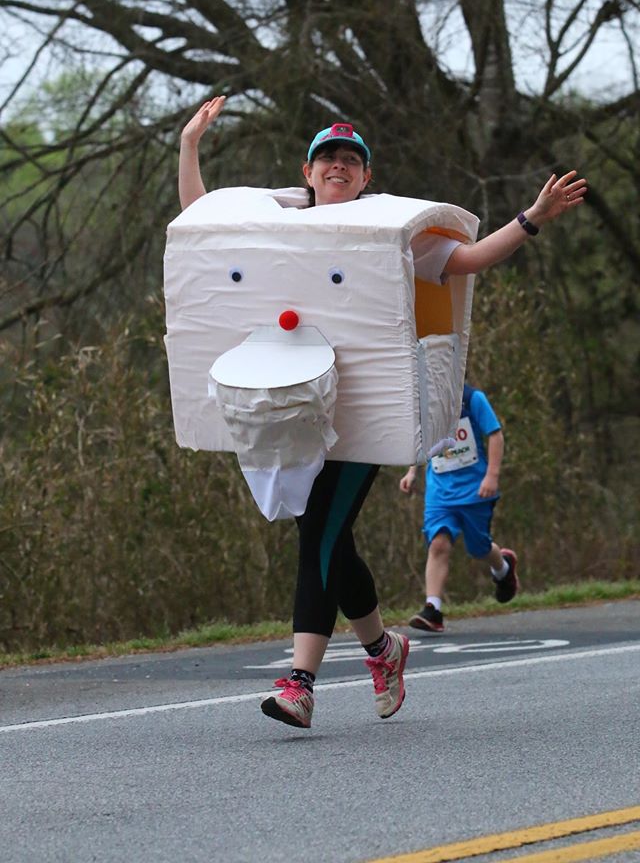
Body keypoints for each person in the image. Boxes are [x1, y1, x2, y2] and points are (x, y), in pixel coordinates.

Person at [178, 96, 587, 729]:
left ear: (366, 176)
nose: (338, 166)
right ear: (308, 172)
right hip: (289, 410)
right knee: (328, 541)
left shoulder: (387, 232)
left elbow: (469, 261)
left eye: (351, 159)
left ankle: (301, 682)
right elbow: (200, 230)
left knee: (318, 535)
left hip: (363, 412)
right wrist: (189, 148)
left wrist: (532, 218)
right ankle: (382, 649)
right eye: (327, 158)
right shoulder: (273, 229)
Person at [399, 383, 513, 633]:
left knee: (479, 548)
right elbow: (420, 441)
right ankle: (433, 608)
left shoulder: (472, 399)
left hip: (474, 490)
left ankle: (503, 567)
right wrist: (411, 472)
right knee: (438, 544)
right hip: (440, 493)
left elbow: (495, 434)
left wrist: (492, 476)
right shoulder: (424, 405)